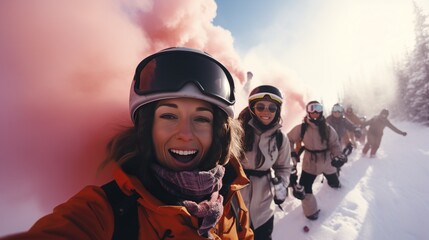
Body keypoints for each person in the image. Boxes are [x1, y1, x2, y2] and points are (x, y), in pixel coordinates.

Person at [1, 47, 254, 240]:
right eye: (168, 116)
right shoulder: (106, 211)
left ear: (219, 133)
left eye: (201, 119)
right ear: (146, 128)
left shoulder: (230, 195)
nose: (185, 134)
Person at [237, 85, 292, 240]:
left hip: (264, 210)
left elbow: (283, 167)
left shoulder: (280, 138)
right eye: (260, 107)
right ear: (252, 109)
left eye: (272, 108)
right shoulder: (236, 131)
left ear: (278, 110)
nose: (266, 112)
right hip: (235, 205)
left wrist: (282, 183)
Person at [287, 101, 347, 220]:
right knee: (304, 188)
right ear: (308, 111)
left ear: (321, 111)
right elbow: (288, 139)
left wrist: (337, 156)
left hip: (327, 161)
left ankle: (335, 185)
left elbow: (335, 144)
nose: (315, 111)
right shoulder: (302, 128)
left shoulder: (328, 129)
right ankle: (311, 212)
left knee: (333, 180)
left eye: (318, 108)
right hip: (310, 162)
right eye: (312, 108)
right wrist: (292, 152)